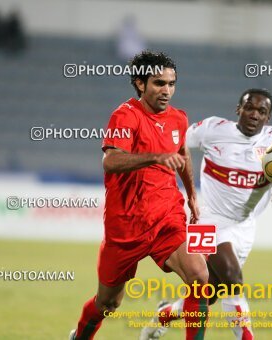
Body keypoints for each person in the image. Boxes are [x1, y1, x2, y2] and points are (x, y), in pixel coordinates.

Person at [140, 89, 272, 340]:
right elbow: (174, 140)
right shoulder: (213, 130)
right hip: (208, 219)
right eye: (249, 108)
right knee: (233, 279)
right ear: (238, 109)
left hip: (245, 226)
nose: (254, 115)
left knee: (209, 293)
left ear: (268, 118)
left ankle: (165, 313)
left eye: (262, 111)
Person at [69, 51, 209, 340]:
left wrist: (192, 194)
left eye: (171, 83)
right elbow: (111, 161)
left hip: (166, 216)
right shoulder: (125, 115)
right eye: (159, 83)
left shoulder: (179, 118)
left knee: (199, 276)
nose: (167, 91)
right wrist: (155, 157)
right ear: (140, 84)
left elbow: (182, 153)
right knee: (107, 304)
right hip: (126, 224)